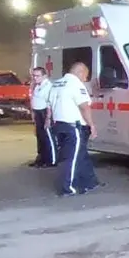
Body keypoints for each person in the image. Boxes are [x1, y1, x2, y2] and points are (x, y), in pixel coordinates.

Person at [46, 62, 99, 196]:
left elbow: (49, 105)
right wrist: (92, 125)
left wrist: (48, 120)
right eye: (85, 76)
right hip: (73, 127)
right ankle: (68, 188)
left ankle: (89, 182)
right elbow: (84, 107)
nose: (85, 79)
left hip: (59, 125)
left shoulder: (57, 83)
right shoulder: (75, 84)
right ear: (80, 72)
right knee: (72, 158)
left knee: (80, 154)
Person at [29, 66, 56, 168]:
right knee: (40, 137)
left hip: (45, 113)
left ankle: (51, 160)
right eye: (34, 76)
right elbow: (34, 100)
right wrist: (33, 113)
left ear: (44, 76)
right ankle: (41, 159)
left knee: (47, 137)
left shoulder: (48, 86)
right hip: (37, 113)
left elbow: (50, 103)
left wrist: (48, 118)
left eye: (37, 76)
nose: (35, 78)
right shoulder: (37, 86)